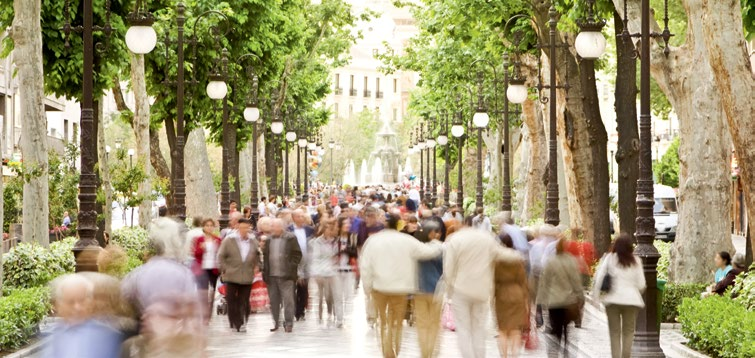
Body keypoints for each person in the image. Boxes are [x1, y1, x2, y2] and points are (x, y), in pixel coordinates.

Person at [360, 213, 443, 358]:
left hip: (379, 288)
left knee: (383, 321)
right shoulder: (406, 240)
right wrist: (438, 243)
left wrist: (367, 289)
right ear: (398, 225)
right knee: (397, 322)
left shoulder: (373, 241)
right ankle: (395, 349)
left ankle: (387, 351)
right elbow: (426, 252)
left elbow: (366, 266)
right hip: (400, 288)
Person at [443, 225, 523, 358]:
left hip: (461, 290)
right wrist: (517, 255)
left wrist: (450, 288)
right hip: (482, 291)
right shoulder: (486, 238)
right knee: (478, 330)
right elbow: (502, 253)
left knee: (463, 330)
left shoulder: (455, 239)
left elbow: (448, 269)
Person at [592, 233, 646, 358]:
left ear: (616, 245)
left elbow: (599, 277)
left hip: (613, 300)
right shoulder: (636, 261)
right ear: (630, 247)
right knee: (628, 332)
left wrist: (595, 296)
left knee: (614, 333)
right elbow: (642, 284)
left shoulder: (610, 258)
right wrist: (635, 291)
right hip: (632, 301)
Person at [44, 274, 124, 358]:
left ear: (91, 302)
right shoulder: (55, 335)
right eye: (71, 302)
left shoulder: (108, 335)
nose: (77, 307)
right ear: (59, 305)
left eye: (82, 300)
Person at [537, 238, 583, 357]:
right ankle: (566, 347)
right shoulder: (571, 261)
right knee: (566, 326)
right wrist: (580, 296)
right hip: (568, 301)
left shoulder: (550, 261)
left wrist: (541, 300)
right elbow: (576, 281)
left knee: (556, 327)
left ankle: (556, 348)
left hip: (554, 301)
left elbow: (545, 282)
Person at [217, 218, 260, 333]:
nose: (244, 230)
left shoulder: (253, 240)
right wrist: (224, 268)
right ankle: (235, 321)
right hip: (231, 275)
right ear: (238, 227)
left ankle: (242, 321)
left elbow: (258, 255)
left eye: (246, 228)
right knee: (231, 300)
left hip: (247, 275)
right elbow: (221, 256)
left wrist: (257, 266)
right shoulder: (229, 240)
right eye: (242, 228)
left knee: (244, 300)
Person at [263, 218, 303, 333]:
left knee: (288, 300)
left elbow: (297, 254)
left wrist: (291, 266)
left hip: (287, 276)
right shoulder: (269, 240)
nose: (272, 229)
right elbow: (266, 257)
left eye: (274, 226)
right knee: (274, 301)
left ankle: (289, 323)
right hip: (271, 276)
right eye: (272, 226)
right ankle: (276, 322)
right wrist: (265, 271)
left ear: (281, 227)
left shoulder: (290, 238)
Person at [494, 233, 529, 358]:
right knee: (515, 330)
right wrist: (526, 301)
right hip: (517, 294)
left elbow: (493, 280)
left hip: (502, 295)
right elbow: (523, 281)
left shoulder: (497, 261)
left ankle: (504, 356)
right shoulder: (518, 260)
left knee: (502, 330)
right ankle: (514, 355)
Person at [414, 221, 444, 358]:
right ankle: (432, 351)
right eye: (436, 232)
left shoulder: (417, 249)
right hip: (436, 290)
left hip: (419, 290)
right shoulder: (441, 249)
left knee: (422, 324)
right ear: (431, 233)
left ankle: (424, 352)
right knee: (434, 324)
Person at [309, 218, 343, 327]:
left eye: (331, 229)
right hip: (321, 272)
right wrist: (315, 272)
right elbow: (315, 258)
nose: (329, 231)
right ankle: (319, 316)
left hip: (334, 271)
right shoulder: (318, 242)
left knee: (336, 295)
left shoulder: (337, 241)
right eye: (327, 229)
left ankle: (339, 319)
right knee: (321, 295)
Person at [191, 218, 222, 320]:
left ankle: (210, 311)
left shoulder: (217, 239)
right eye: (207, 225)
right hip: (202, 268)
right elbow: (195, 254)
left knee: (212, 291)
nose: (209, 228)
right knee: (203, 291)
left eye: (211, 226)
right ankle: (203, 311)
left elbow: (221, 254)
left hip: (213, 268)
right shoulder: (199, 239)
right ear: (203, 227)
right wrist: (201, 248)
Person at [289, 209, 315, 321]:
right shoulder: (288, 230)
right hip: (292, 264)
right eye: (299, 216)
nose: (301, 218)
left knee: (303, 289)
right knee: (291, 289)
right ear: (293, 218)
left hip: (306, 264)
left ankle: (300, 311)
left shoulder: (309, 230)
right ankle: (294, 309)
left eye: (302, 216)